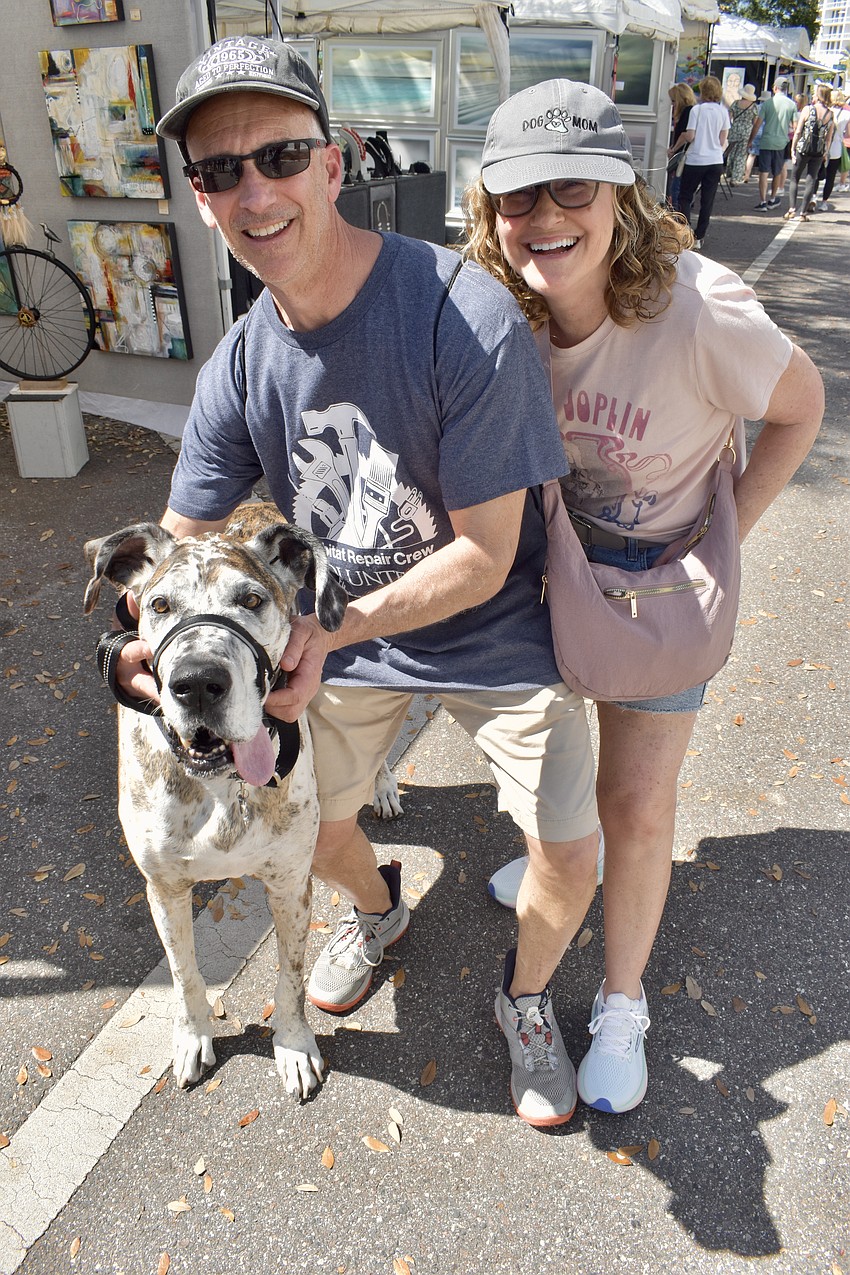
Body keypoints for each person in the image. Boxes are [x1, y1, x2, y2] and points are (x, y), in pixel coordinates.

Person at [115, 35, 602, 1130]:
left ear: (334, 166)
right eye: (218, 171)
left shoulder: (456, 315)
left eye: (280, 157)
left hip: (491, 629)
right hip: (344, 641)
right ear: (198, 199)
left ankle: (524, 997)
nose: (254, 192)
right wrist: (141, 639)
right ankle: (377, 911)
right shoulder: (243, 359)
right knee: (304, 818)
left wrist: (323, 632)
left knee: (569, 842)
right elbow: (178, 536)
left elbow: (483, 553)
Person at [463, 78, 824, 1114]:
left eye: (570, 189)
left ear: (621, 194)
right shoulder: (496, 317)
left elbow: (801, 409)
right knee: (552, 767)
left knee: (634, 801)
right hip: (548, 572)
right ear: (489, 213)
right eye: (517, 196)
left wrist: (727, 534)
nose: (543, 219)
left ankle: (623, 1002)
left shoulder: (702, 309)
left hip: (662, 586)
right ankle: (548, 861)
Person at [669, 75, 730, 251]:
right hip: (715, 160)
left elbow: (690, 135)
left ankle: (686, 232)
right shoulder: (723, 111)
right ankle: (700, 235)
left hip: (696, 159)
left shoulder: (697, 110)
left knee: (685, 196)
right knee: (707, 200)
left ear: (703, 91)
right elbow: (722, 139)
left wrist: (674, 148)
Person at [785, 83, 834, 221]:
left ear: (818, 95)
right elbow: (829, 138)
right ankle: (803, 213)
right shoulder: (830, 114)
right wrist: (825, 152)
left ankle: (792, 209)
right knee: (811, 179)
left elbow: (798, 130)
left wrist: (793, 148)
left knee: (795, 178)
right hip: (818, 151)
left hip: (803, 148)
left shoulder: (808, 109)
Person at [749, 77, 798, 209]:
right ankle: (772, 198)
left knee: (763, 172)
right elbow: (795, 126)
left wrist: (750, 140)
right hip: (781, 142)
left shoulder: (767, 104)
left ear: (775, 88)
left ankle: (762, 201)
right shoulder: (791, 104)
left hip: (766, 141)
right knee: (777, 172)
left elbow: (757, 124)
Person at [816, 88, 850, 208]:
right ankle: (824, 202)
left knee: (816, 172)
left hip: (821, 146)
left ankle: (813, 198)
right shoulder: (847, 114)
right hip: (836, 147)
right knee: (831, 176)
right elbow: (848, 134)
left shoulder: (826, 111)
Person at [666, 82, 696, 207]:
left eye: (673, 101)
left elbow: (685, 135)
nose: (672, 104)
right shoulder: (692, 110)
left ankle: (678, 219)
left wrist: (673, 149)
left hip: (683, 156)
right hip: (690, 156)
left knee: (676, 190)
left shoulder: (687, 112)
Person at [725, 83, 760, 184]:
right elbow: (755, 122)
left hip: (735, 130)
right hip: (746, 132)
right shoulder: (753, 107)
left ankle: (729, 173)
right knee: (741, 155)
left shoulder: (735, 103)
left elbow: (729, 117)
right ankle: (736, 178)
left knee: (731, 152)